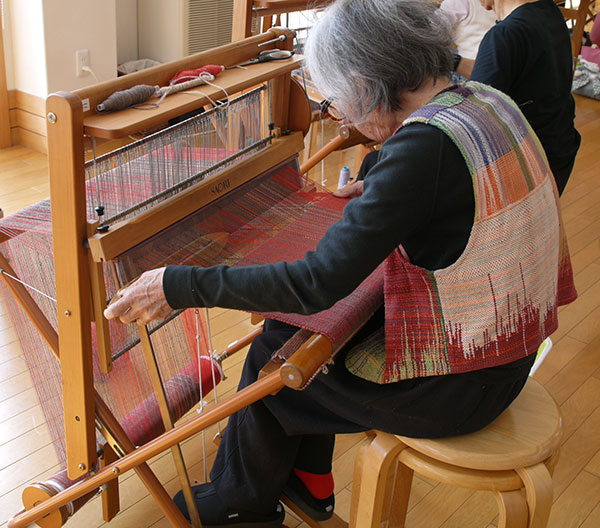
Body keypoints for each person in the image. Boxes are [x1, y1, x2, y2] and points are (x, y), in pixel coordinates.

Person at [104, 1, 577, 526]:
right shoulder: (482, 98)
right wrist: (383, 185)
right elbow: (447, 193)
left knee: (274, 356)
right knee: (302, 334)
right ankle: (308, 481)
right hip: (508, 346)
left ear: (365, 81)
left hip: (464, 385)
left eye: (335, 103)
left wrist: (178, 284)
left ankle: (241, 503)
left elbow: (317, 283)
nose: (341, 117)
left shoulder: (423, 151)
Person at [455, 0, 581, 195]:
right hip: (557, 152)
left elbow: (475, 118)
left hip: (525, 164)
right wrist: (452, 60)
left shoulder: (506, 35)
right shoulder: (550, 13)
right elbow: (496, 68)